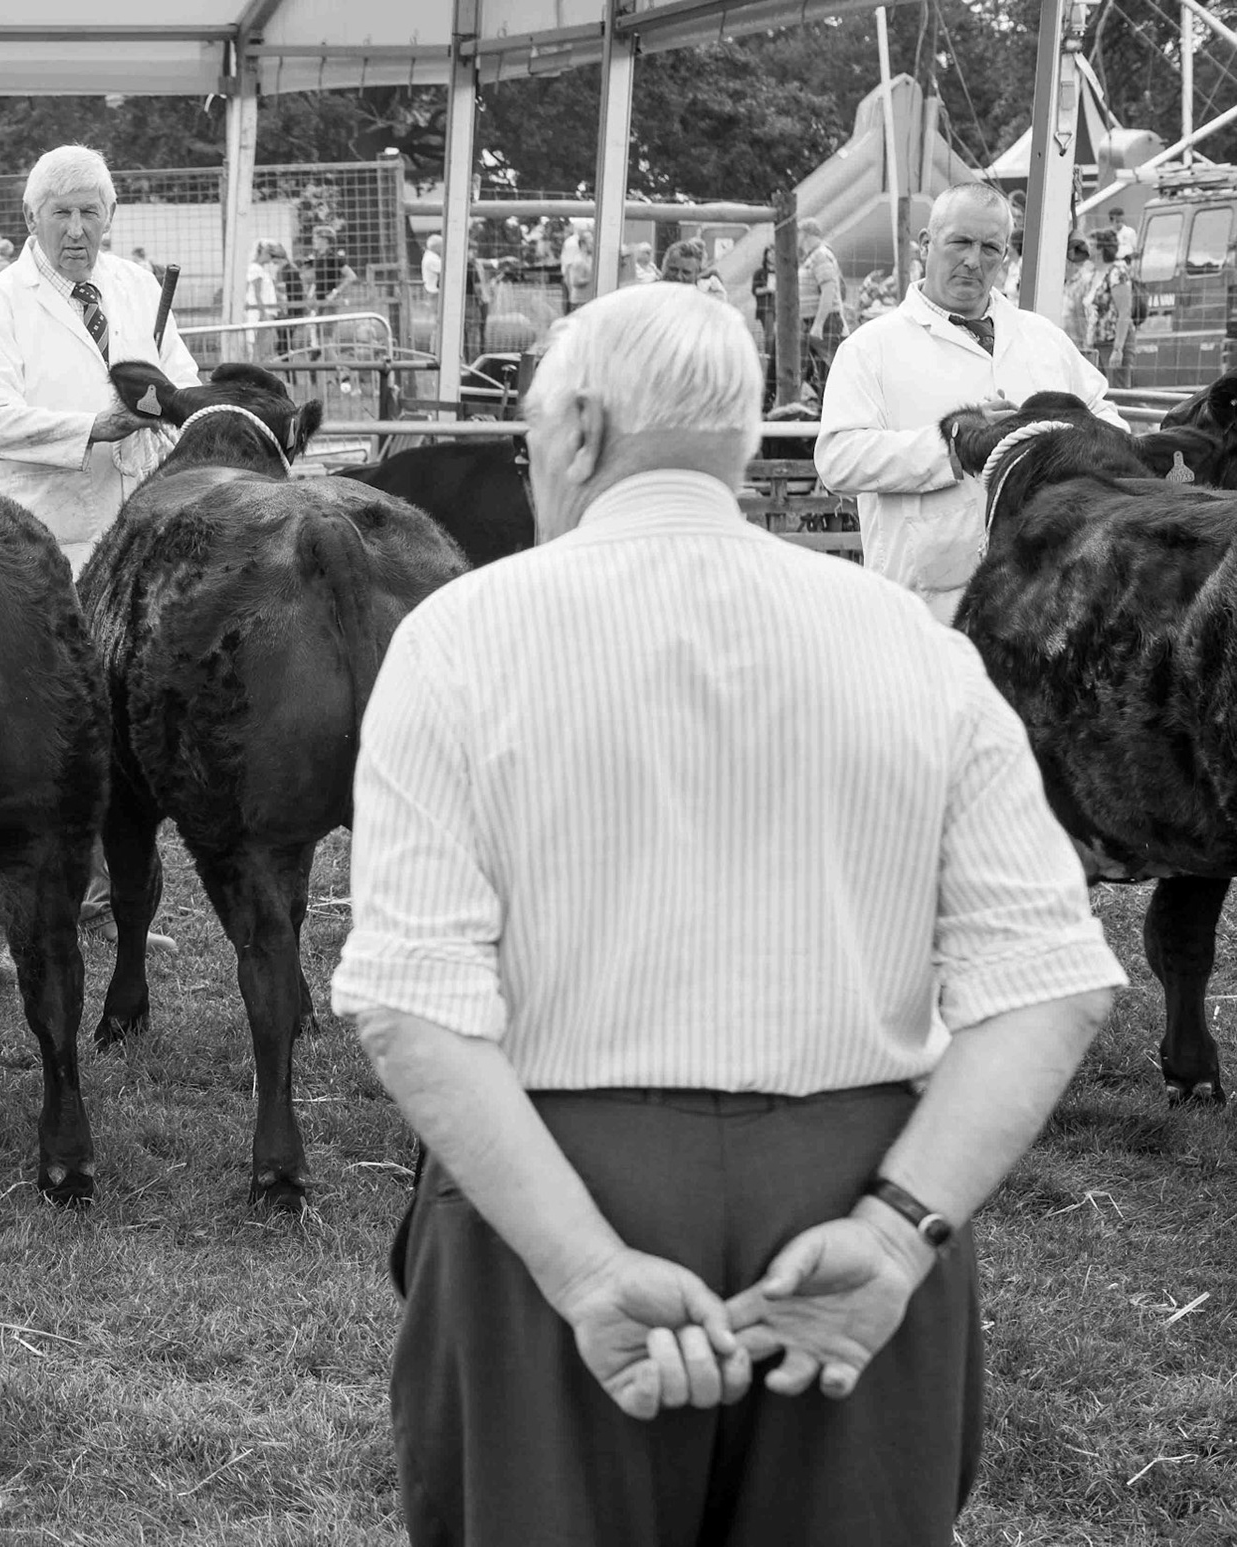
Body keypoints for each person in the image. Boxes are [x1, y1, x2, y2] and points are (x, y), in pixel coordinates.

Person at [333, 280, 1126, 1547]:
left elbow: (409, 1002)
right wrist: (900, 1231)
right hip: (857, 1189)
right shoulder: (913, 643)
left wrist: (585, 1265)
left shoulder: (460, 638)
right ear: (743, 439)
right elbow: (1052, 980)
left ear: (579, 429)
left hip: (547, 1183)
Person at [0, 143, 201, 952]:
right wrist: (91, 427)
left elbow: (181, 383)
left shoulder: (137, 289)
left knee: (124, 730)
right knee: (42, 734)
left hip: (131, 546)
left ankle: (118, 900)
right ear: (29, 218)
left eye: (89, 212)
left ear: (110, 216)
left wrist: (165, 413)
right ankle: (29, 903)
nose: (75, 229)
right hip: (42, 547)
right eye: (59, 212)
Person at [816, 182, 1127, 623]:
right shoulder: (871, 349)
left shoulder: (1043, 340)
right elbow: (838, 460)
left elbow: (1112, 428)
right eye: (960, 242)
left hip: (1043, 605)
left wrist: (1062, 439)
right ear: (926, 243)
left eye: (990, 248)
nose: (973, 260)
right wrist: (955, 445)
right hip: (925, 610)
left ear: (1005, 255)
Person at [797, 216, 847, 403]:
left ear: (805, 234)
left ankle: (835, 405)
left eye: (798, 234)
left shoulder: (820, 256)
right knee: (822, 369)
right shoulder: (812, 257)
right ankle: (824, 405)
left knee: (832, 367)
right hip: (814, 321)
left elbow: (828, 289)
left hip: (824, 322)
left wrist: (818, 324)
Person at [1083, 228, 1134, 389]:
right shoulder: (1093, 274)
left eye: (1090, 245)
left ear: (1100, 249)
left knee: (1118, 392)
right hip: (1096, 344)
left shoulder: (1117, 272)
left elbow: (1124, 311)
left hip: (1113, 342)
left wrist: (1118, 348)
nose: (1086, 249)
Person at [1061, 233, 1095, 348]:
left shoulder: (1084, 281)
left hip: (1077, 344)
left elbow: (1085, 315)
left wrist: (1085, 343)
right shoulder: (1064, 281)